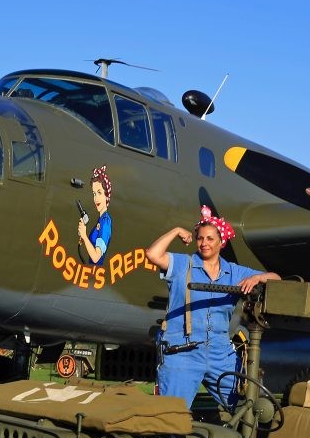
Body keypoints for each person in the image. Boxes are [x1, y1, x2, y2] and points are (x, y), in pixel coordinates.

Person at [145, 206, 280, 409]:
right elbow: (153, 254)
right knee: (170, 417)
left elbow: (276, 278)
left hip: (220, 352)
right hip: (182, 351)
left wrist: (256, 278)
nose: (204, 243)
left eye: (210, 238)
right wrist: (175, 231)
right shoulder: (184, 264)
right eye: (200, 238)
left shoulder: (234, 272)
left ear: (221, 242)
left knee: (248, 408)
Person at [77, 166, 113, 265]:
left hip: (96, 274)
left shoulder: (105, 221)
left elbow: (96, 257)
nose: (96, 198)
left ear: (107, 196)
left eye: (99, 193)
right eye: (94, 194)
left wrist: (84, 235)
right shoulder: (101, 220)